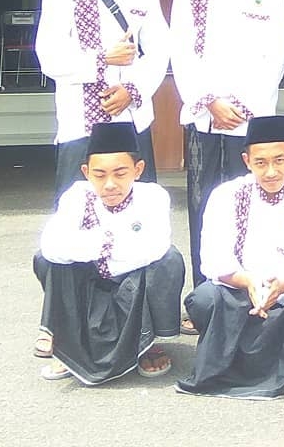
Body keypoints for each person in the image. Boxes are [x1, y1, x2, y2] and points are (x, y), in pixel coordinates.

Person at [170, 0, 284, 303]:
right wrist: (208, 100)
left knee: (252, 203)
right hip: (205, 115)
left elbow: (277, 49)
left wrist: (245, 106)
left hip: (251, 119)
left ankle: (251, 291)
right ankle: (205, 297)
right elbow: (181, 46)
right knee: (204, 206)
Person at [177, 115, 284, 399]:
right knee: (203, 299)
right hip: (241, 291)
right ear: (246, 161)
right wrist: (249, 282)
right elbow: (213, 259)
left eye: (279, 160)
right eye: (261, 162)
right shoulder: (226, 195)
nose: (270, 172)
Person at [36, 0, 169, 200]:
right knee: (78, 209)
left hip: (132, 119)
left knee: (137, 207)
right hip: (80, 122)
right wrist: (102, 58)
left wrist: (132, 89)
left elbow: (160, 49)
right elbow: (49, 57)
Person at [33, 122, 185, 385]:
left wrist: (95, 251)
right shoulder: (76, 195)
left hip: (133, 282)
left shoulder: (153, 196)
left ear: (138, 170)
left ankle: (149, 345)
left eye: (120, 173)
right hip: (89, 281)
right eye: (99, 175)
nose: (110, 184)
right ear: (86, 173)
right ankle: (68, 348)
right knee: (46, 261)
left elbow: (155, 247)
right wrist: (109, 242)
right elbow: (51, 246)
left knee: (169, 260)